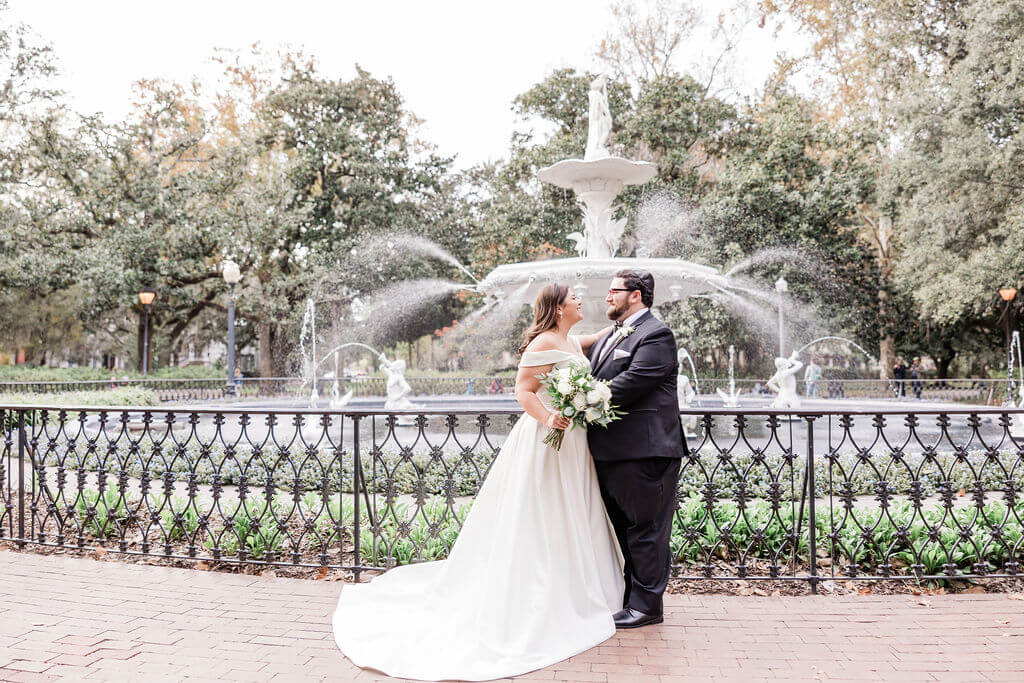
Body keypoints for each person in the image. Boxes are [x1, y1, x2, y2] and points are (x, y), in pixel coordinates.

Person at [333, 284, 622, 680]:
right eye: (572, 297)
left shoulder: (569, 339)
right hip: (547, 440)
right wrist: (548, 417)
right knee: (545, 509)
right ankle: (542, 587)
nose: (579, 301)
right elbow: (523, 390)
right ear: (557, 308)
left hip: (573, 442)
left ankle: (581, 582)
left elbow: (593, 341)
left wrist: (623, 328)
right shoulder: (541, 344)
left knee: (575, 506)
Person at [587, 270, 687, 629]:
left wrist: (580, 399)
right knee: (624, 530)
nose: (608, 296)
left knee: (646, 531)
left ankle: (647, 607)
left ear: (637, 295)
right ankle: (631, 600)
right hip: (611, 452)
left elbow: (632, 382)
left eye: (614, 291)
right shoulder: (610, 335)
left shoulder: (657, 334)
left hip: (646, 452)